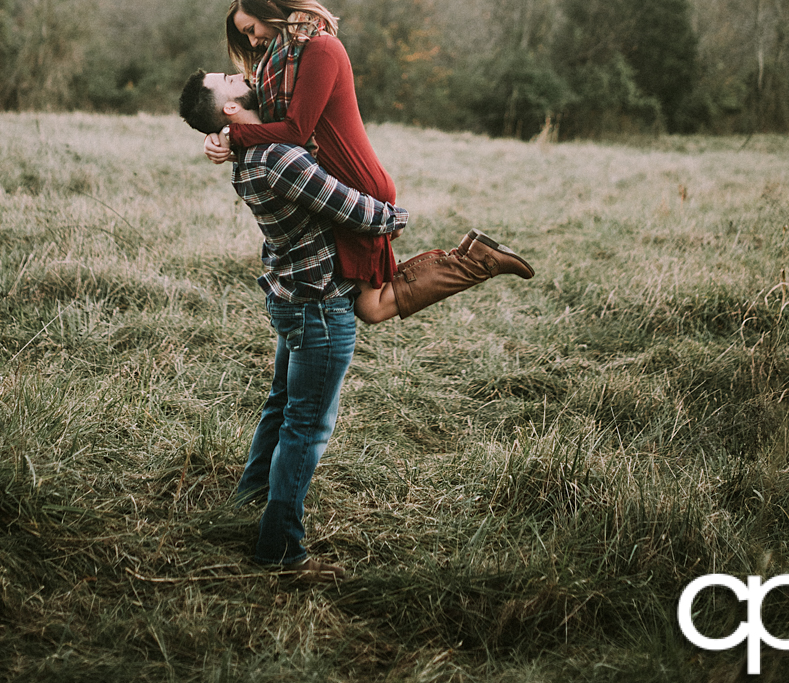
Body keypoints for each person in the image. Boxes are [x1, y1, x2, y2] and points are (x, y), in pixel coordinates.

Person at [179, 68, 534, 579]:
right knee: (306, 428)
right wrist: (396, 213)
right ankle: (280, 551)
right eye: (229, 80)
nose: (242, 75)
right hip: (320, 305)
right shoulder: (278, 157)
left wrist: (229, 137)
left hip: (295, 296)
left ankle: (246, 507)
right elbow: (363, 215)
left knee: (282, 408)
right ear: (230, 109)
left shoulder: (251, 151)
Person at [202, 0, 401, 322]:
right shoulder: (281, 63)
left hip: (355, 181)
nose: (252, 41)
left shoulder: (321, 49)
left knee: (372, 307)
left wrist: (232, 134)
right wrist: (219, 136)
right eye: (246, 37)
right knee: (370, 302)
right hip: (333, 182)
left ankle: (470, 262)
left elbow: (296, 130)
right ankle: (468, 260)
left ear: (270, 9)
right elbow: (257, 120)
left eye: (251, 29)